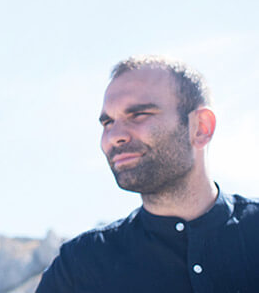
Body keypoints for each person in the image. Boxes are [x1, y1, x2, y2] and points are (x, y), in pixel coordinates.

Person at [36, 55, 259, 292]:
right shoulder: (79, 268)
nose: (114, 136)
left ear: (201, 127)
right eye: (108, 122)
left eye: (139, 115)